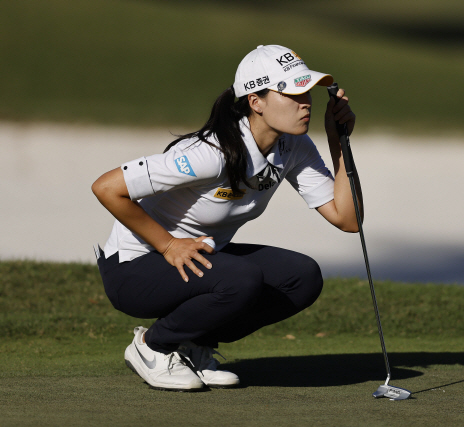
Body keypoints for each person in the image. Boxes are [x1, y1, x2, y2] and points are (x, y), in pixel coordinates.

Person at [91, 44, 362, 391]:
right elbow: (106, 187)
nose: (305, 101)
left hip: (199, 261)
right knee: (241, 279)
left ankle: (192, 343)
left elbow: (348, 219)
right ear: (256, 101)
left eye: (306, 90)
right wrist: (169, 244)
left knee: (302, 277)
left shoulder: (293, 147)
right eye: (292, 92)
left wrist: (339, 141)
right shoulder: (212, 152)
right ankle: (153, 346)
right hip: (134, 268)